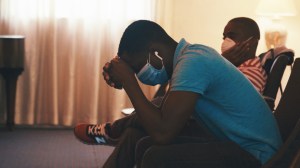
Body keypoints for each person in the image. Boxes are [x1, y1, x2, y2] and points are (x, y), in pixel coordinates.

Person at [75, 20, 282, 167]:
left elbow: (163, 133)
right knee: (137, 138)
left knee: (156, 156)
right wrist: (124, 76)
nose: (139, 74)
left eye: (137, 67)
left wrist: (129, 82)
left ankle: (110, 131)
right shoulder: (189, 57)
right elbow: (161, 117)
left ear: (155, 52)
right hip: (230, 142)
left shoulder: (193, 62)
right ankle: (114, 131)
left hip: (256, 155)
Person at [221, 17, 267, 94]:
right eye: (224, 37)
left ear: (252, 42)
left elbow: (224, 100)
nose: (226, 41)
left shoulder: (251, 73)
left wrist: (222, 63)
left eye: (232, 36)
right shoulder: (235, 68)